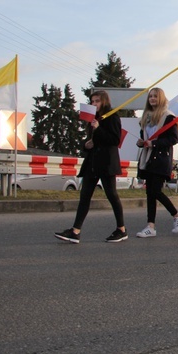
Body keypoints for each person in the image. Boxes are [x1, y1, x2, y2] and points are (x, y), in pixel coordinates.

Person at [55, 90, 126, 244]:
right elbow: (90, 140)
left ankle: (121, 229)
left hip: (106, 163)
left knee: (112, 195)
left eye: (97, 101)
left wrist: (99, 129)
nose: (94, 104)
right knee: (85, 196)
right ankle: (75, 231)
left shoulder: (112, 116)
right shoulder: (93, 118)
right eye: (92, 101)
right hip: (92, 162)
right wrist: (86, 145)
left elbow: (115, 140)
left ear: (104, 101)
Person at [135, 88, 178, 238]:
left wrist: (154, 143)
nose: (152, 99)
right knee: (150, 193)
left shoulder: (168, 117)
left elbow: (173, 139)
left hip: (161, 158)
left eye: (155, 96)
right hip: (148, 158)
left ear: (161, 98)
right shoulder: (146, 117)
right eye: (150, 96)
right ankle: (151, 226)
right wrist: (141, 142)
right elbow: (144, 136)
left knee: (155, 191)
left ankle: (176, 215)